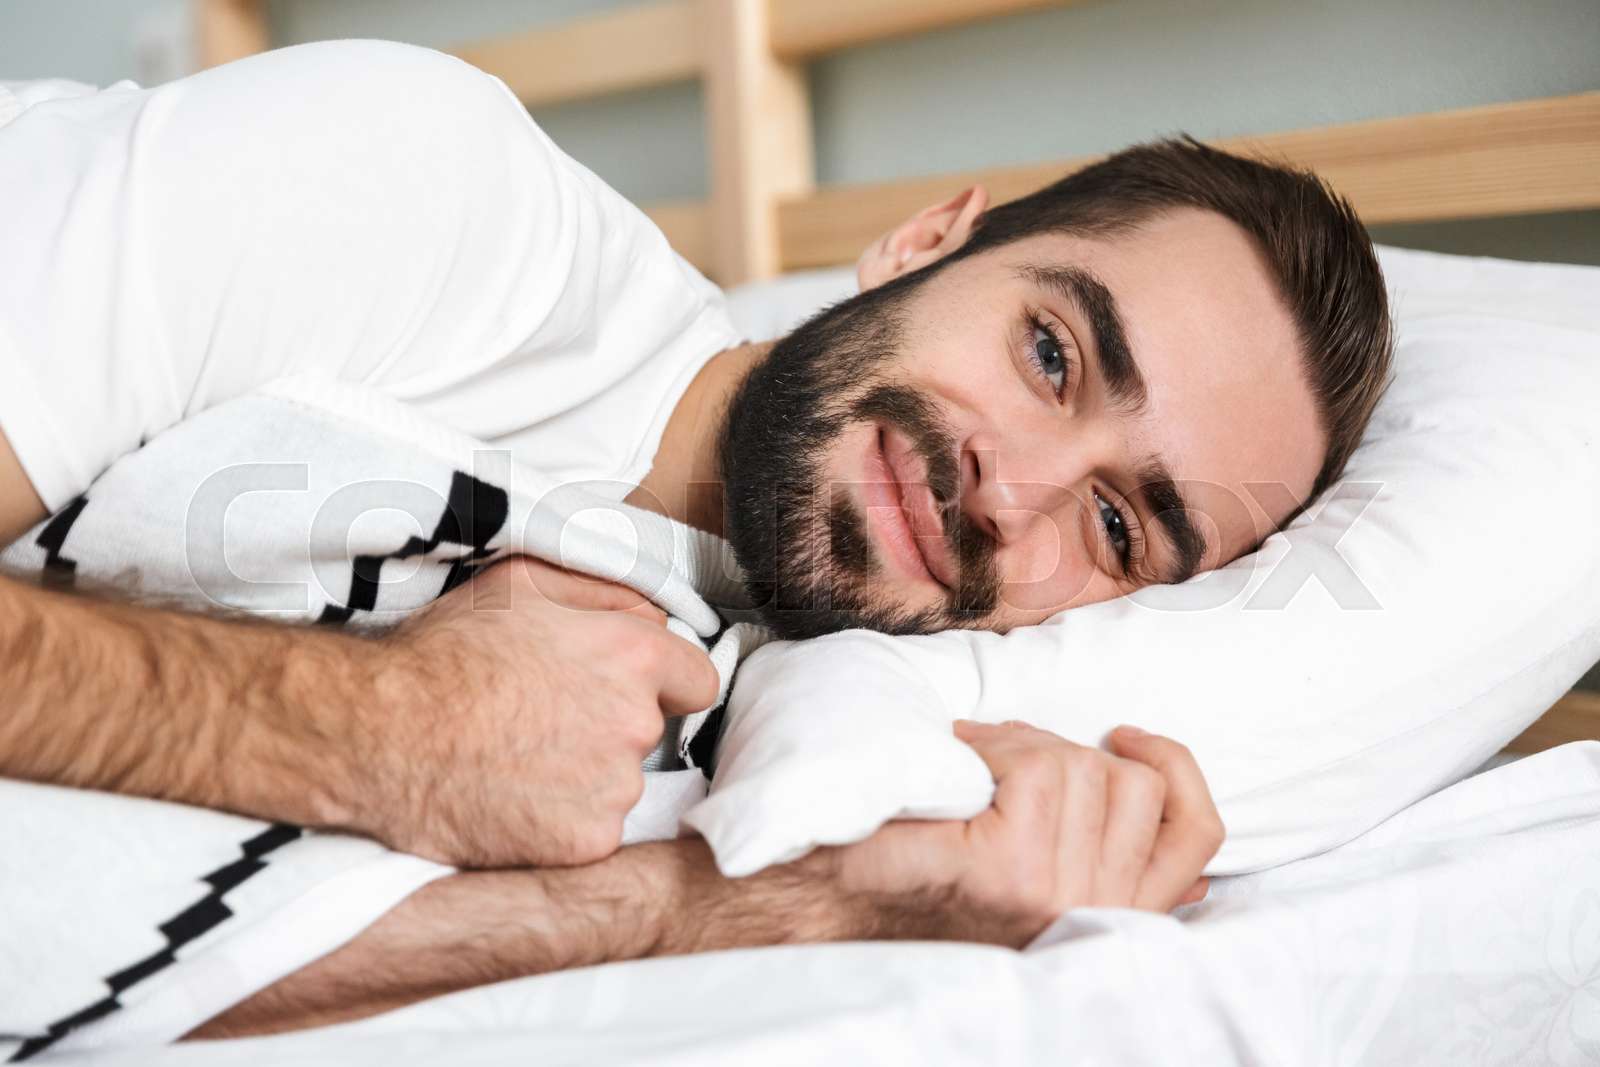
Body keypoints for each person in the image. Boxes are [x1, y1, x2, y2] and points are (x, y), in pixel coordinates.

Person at [0, 40, 1390, 1032]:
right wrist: (376, 724)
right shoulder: (426, 195)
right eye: (1049, 350)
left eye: (1114, 523)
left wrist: (769, 908)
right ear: (923, 243)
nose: (1005, 492)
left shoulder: (769, 738)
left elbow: (114, 963)